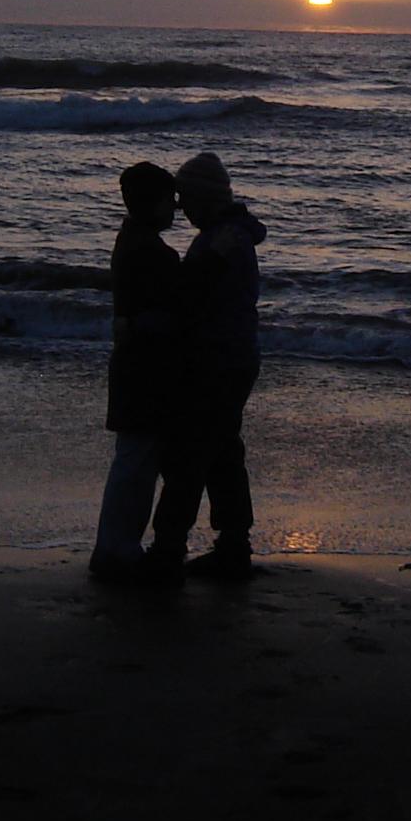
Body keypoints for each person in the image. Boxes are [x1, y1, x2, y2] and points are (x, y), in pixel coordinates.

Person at [152, 151, 268, 580]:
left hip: (219, 359)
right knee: (220, 451)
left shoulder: (223, 240)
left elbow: (191, 289)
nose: (182, 209)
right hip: (233, 356)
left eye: (185, 198)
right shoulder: (229, 234)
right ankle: (233, 543)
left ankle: (169, 546)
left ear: (205, 198)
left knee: (190, 452)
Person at [87, 161, 186, 585]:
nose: (175, 209)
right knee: (136, 463)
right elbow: (174, 312)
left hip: (135, 367)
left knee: (135, 461)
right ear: (153, 204)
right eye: (170, 201)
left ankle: (118, 546)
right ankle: (117, 549)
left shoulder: (130, 243)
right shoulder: (152, 253)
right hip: (147, 370)